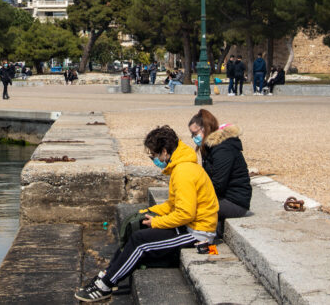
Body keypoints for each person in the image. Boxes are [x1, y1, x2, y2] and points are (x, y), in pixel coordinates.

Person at [74, 125, 218, 302]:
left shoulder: (183, 172)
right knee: (137, 231)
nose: (155, 160)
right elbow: (173, 205)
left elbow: (185, 214)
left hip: (197, 234)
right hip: (187, 226)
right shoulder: (181, 167)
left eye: (154, 156)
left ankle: (105, 285)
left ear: (164, 152)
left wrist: (156, 223)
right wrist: (148, 212)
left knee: (140, 243)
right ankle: (108, 273)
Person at [188, 109, 251, 238]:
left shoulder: (223, 149)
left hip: (235, 202)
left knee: (191, 209)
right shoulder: (211, 147)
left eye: (195, 133)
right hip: (224, 198)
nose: (194, 138)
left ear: (205, 129)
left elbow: (218, 184)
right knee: (186, 204)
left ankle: (202, 239)